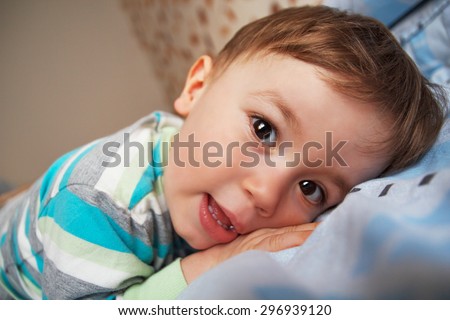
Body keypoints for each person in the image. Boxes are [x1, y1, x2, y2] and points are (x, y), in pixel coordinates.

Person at [0, 5, 446, 300]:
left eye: (311, 188)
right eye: (264, 130)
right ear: (196, 88)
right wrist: (211, 264)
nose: (266, 194)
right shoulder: (97, 202)